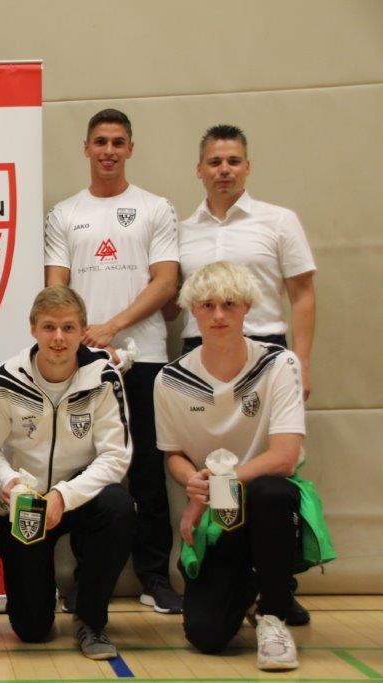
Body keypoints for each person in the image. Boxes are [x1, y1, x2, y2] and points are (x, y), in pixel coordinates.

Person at [154, 261, 333, 671]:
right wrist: (193, 484)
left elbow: (284, 457)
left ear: (247, 307)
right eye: (207, 305)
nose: (218, 315)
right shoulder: (170, 379)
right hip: (219, 513)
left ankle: (273, 614)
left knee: (273, 491)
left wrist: (213, 485)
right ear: (192, 310)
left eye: (229, 304)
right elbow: (174, 455)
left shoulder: (279, 364)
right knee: (207, 635)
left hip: (265, 501)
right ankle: (249, 586)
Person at [174, 124, 317, 624]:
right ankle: (224, 575)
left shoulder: (279, 221)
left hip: (267, 354)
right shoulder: (181, 230)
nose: (224, 170)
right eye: (215, 162)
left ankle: (278, 588)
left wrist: (301, 361)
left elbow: (302, 293)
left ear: (247, 167)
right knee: (207, 471)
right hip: (200, 356)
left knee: (273, 477)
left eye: (233, 161)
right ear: (200, 169)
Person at [44, 108, 181, 614]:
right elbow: (56, 289)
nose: (108, 151)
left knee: (146, 471)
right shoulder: (64, 213)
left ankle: (154, 578)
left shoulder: (155, 208)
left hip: (145, 358)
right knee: (87, 472)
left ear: (130, 148)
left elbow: (166, 282)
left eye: (117, 142)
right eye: (100, 141)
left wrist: (113, 327)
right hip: (81, 363)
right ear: (86, 147)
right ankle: (85, 582)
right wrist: (84, 337)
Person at [0, 285, 135, 660]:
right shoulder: (5, 380)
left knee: (118, 506)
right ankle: (39, 603)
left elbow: (115, 456)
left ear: (83, 331)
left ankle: (90, 618)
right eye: (49, 327)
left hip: (80, 498)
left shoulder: (104, 377)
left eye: (68, 327)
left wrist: (64, 495)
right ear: (33, 328)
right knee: (31, 631)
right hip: (25, 505)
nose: (59, 338)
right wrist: (10, 482)